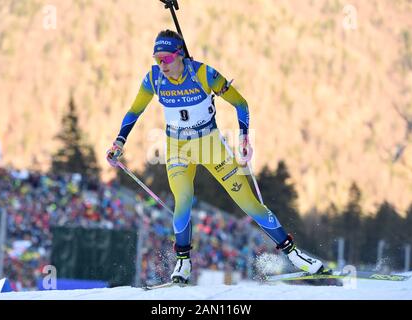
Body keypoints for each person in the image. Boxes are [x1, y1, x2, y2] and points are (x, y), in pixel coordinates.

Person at [107, 29, 324, 283]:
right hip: (178, 148)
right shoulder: (154, 79)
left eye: (166, 59)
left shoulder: (203, 74)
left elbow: (241, 103)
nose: (161, 65)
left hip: (210, 144)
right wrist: (119, 142)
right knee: (184, 201)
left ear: (180, 55)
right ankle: (183, 263)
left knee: (249, 203)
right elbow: (134, 111)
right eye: (157, 59)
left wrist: (243, 138)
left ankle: (294, 255)